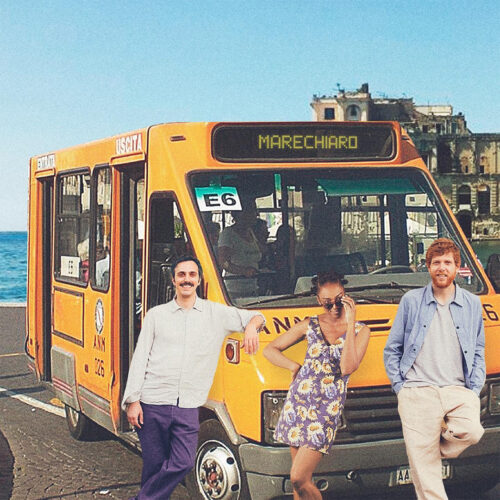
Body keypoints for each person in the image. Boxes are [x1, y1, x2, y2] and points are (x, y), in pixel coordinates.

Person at [122, 255, 265, 500]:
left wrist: (252, 327)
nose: (186, 280)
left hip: (188, 405)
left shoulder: (216, 313)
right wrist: (133, 400)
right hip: (153, 402)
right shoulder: (156, 315)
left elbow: (256, 316)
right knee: (154, 465)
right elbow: (140, 357)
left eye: (191, 275)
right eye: (181, 275)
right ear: (173, 280)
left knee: (184, 462)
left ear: (199, 280)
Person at [384, 238, 485, 500]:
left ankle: (423, 449)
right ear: (428, 266)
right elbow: (392, 348)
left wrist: (474, 390)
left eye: (447, 262)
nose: (442, 268)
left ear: (457, 268)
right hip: (417, 391)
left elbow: (478, 349)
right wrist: (401, 387)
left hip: (457, 389)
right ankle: (422, 452)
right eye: (436, 262)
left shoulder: (472, 303)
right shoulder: (411, 301)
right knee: (427, 477)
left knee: (473, 431)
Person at [263, 270, 370, 499]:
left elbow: (347, 367)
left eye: (339, 300)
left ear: (346, 295)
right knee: (299, 485)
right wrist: (293, 366)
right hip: (298, 402)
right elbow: (270, 349)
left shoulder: (361, 330)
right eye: (327, 303)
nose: (334, 307)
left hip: (326, 409)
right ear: (318, 300)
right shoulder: (309, 324)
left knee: (298, 477)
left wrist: (350, 322)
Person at [218, 198, 262, 297]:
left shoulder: (250, 232)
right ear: (241, 213)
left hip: (253, 289)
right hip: (235, 292)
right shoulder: (228, 234)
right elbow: (223, 263)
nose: (256, 214)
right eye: (252, 210)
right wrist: (244, 271)